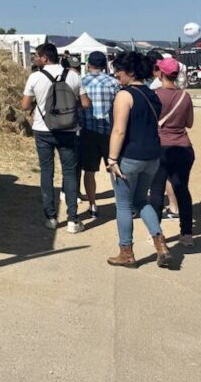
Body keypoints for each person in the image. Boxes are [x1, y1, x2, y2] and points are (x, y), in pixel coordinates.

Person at [105, 51, 171, 268]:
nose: (116, 75)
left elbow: (119, 130)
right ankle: (160, 243)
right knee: (142, 200)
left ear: (130, 72)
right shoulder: (153, 94)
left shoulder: (125, 95)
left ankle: (126, 252)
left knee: (123, 205)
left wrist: (112, 159)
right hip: (152, 156)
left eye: (119, 71)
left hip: (129, 156)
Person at [21, 43, 91, 233]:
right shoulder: (73, 76)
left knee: (47, 171)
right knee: (70, 172)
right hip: (68, 129)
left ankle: (51, 217)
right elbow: (86, 104)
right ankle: (73, 220)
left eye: (36, 56)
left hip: (43, 130)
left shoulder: (35, 77)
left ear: (44, 58)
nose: (35, 59)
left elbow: (25, 105)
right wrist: (70, 107)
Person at [148, 58, 196, 247]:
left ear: (161, 73)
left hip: (159, 146)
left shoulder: (154, 95)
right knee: (182, 189)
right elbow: (189, 123)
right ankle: (187, 234)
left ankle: (156, 234)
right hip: (183, 146)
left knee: (156, 191)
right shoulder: (185, 96)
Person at [79, 51, 119, 219]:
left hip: (87, 131)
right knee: (115, 169)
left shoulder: (81, 82)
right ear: (104, 65)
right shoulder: (113, 83)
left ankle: (92, 205)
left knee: (89, 171)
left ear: (89, 64)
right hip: (109, 132)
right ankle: (122, 204)